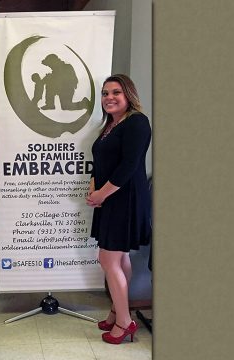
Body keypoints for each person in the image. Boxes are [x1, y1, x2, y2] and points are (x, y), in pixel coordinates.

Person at [86, 74, 151, 345]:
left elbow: (128, 166)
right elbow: (99, 162)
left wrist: (101, 193)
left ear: (128, 95)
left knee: (108, 260)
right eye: (105, 93)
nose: (109, 98)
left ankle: (125, 322)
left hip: (123, 199)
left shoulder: (137, 122)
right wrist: (93, 188)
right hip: (108, 198)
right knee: (120, 259)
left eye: (116, 92)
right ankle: (117, 310)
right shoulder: (111, 125)